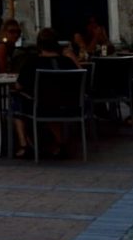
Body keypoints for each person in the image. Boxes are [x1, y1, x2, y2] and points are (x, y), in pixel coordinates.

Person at [12, 25, 82, 158]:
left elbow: (18, 86)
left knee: (16, 99)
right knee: (53, 99)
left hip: (42, 108)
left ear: (39, 44)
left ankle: (23, 145)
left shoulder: (32, 63)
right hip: (69, 107)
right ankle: (59, 143)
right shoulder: (67, 62)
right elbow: (81, 78)